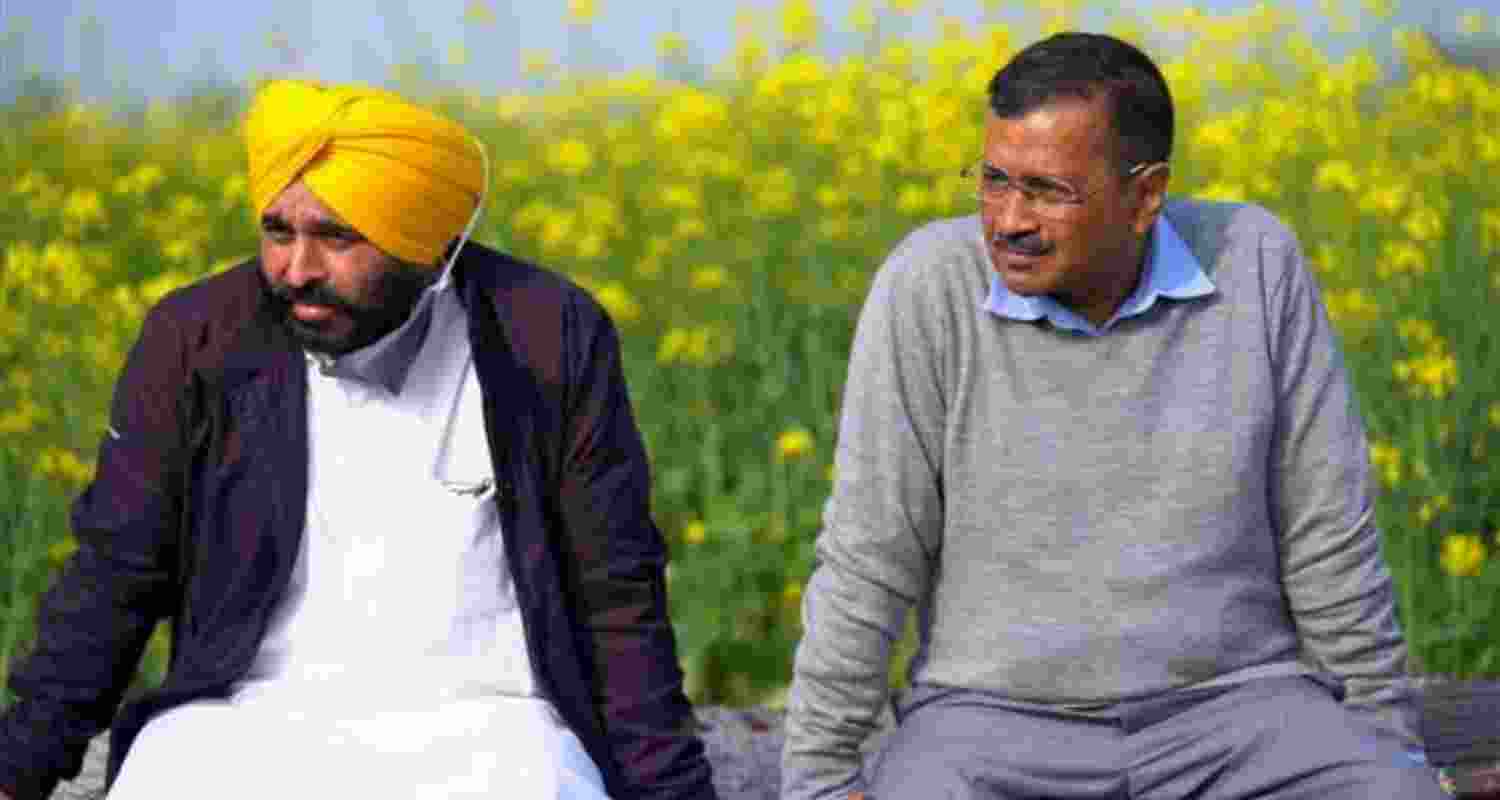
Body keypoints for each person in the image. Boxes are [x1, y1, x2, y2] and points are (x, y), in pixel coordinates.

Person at [0, 79, 717, 800]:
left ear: (429, 247)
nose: (297, 269)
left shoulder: (548, 334)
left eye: (338, 236)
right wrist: (18, 768)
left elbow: (615, 596)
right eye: (278, 231)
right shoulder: (198, 337)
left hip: (492, 729)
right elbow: (116, 573)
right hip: (243, 719)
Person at [783, 32, 1444, 800]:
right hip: (986, 726)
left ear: (1146, 194)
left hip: (1242, 712)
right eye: (993, 180)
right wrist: (820, 783)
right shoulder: (928, 286)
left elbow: (1329, 535)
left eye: (1047, 190)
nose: (1008, 219)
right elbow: (869, 550)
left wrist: (1385, 751)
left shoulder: (1256, 263)